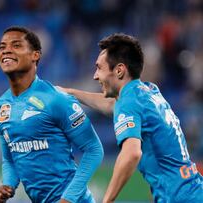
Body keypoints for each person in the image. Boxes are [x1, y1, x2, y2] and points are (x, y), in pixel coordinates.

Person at [61, 33, 203, 203]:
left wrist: (106, 200)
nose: (95, 76)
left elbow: (132, 153)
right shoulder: (148, 91)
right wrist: (71, 93)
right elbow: (111, 105)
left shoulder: (129, 101)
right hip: (193, 191)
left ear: (119, 70)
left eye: (99, 68)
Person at [0, 26, 104, 203]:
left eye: (16, 45)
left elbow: (94, 149)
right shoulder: (1, 107)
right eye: (2, 46)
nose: (6, 50)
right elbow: (10, 159)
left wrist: (69, 198)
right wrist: (8, 185)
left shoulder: (56, 99)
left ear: (35, 55)